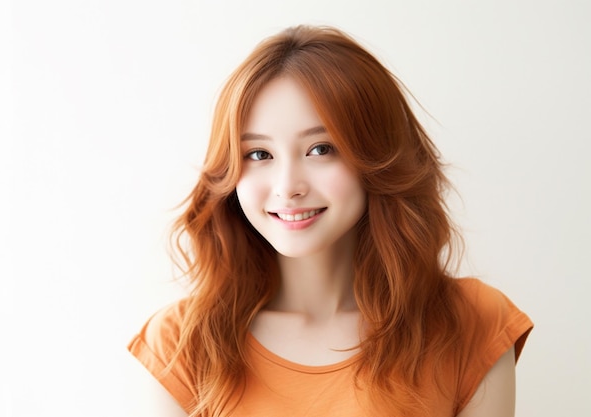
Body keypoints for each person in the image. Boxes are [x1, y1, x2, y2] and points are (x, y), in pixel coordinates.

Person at [128, 25, 533, 417]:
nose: (288, 187)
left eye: (321, 149)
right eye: (258, 154)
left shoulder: (472, 324)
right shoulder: (181, 345)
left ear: (377, 157)